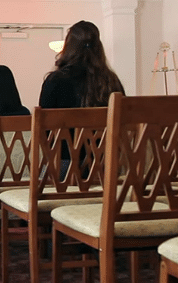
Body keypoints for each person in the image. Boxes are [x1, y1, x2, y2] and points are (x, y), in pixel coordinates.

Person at [38, 20, 125, 178]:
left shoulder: (55, 81)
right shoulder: (112, 82)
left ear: (69, 47)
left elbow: (45, 131)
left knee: (37, 184)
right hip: (104, 167)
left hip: (64, 166)